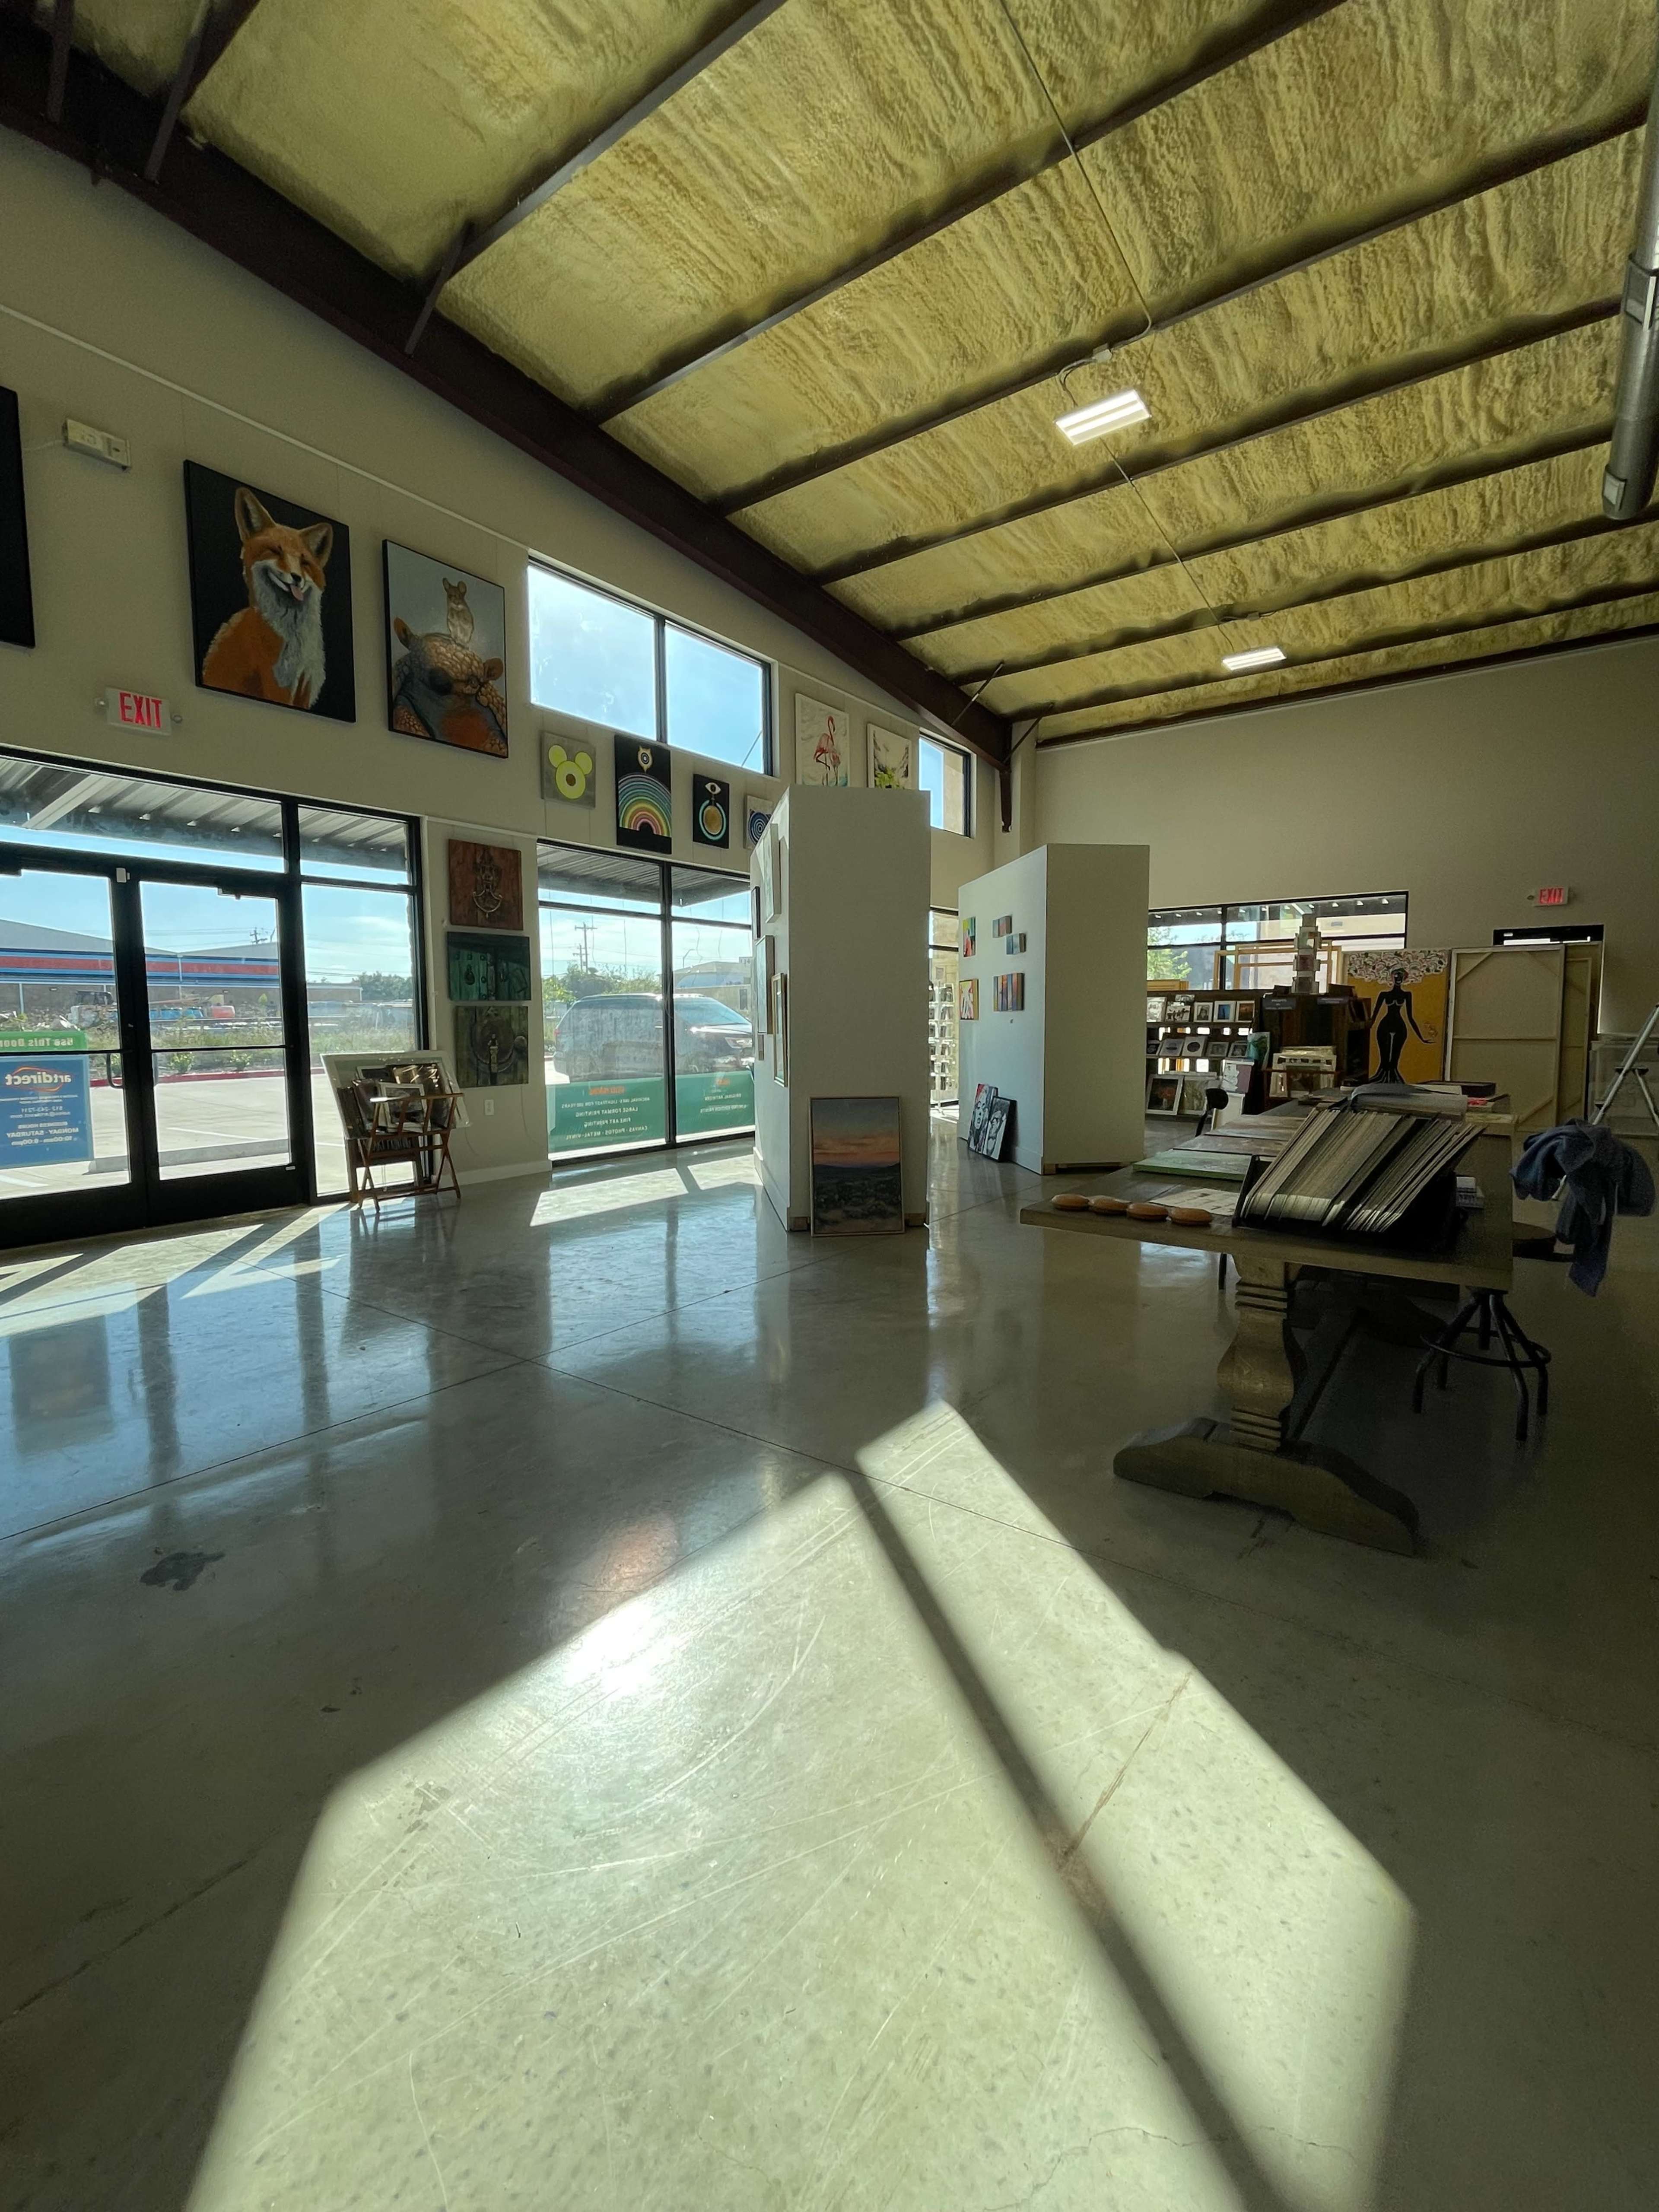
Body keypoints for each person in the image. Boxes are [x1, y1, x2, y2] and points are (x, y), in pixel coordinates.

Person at [1369, 967, 1429, 1083]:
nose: (1398, 979)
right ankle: (1382, 1082)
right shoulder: (1384, 995)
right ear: (1392, 978)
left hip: (1400, 1027)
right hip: (1385, 1026)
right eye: (1396, 976)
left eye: (1401, 977)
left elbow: (1410, 1017)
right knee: (1384, 1059)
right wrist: (1368, 1028)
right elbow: (1375, 1015)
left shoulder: (1407, 995)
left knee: (1395, 1060)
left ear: (1404, 979)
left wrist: (1421, 1037)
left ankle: (1394, 1083)